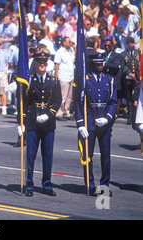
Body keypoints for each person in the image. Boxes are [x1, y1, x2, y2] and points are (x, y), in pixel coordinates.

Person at [17, 51, 61, 196]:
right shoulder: (28, 80)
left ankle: (47, 184)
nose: (42, 65)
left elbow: (57, 101)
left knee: (47, 155)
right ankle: (29, 185)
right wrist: (22, 122)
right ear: (34, 64)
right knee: (30, 155)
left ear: (47, 65)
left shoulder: (53, 80)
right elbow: (24, 102)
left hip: (48, 123)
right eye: (39, 63)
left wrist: (48, 115)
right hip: (33, 123)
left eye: (44, 63)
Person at [74, 53, 117, 196]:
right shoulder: (84, 80)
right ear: (92, 64)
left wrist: (108, 118)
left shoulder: (109, 80)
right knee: (88, 155)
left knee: (106, 156)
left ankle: (104, 185)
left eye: (101, 64)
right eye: (97, 64)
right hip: (89, 121)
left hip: (104, 123)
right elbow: (78, 103)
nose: (100, 66)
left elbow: (113, 102)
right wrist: (80, 124)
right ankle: (90, 184)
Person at [54, 36, 75, 120]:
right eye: (69, 42)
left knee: (69, 97)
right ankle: (59, 113)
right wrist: (56, 77)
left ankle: (66, 112)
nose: (71, 43)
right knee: (62, 96)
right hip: (63, 76)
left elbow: (75, 59)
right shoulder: (60, 52)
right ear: (64, 43)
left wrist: (74, 48)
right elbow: (56, 65)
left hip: (70, 76)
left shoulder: (70, 51)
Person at [120, 36, 139, 125]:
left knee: (136, 97)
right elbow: (123, 66)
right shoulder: (123, 54)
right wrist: (130, 74)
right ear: (127, 44)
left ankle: (136, 116)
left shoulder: (138, 53)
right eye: (131, 43)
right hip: (128, 78)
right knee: (129, 98)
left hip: (137, 78)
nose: (133, 45)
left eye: (133, 43)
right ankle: (130, 116)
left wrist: (137, 75)